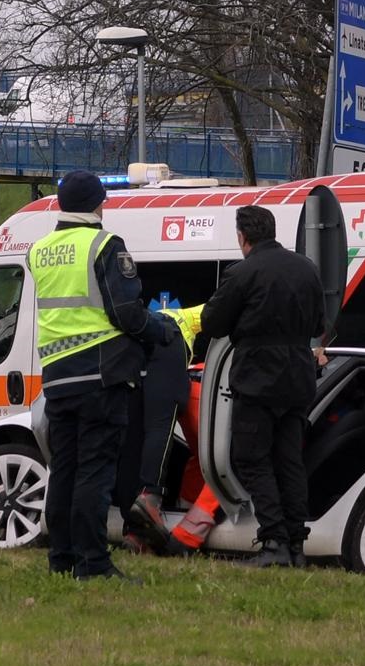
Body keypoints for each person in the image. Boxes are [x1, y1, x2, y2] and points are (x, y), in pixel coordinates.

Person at [29, 170, 168, 583]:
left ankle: (62, 558)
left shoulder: (40, 250)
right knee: (95, 472)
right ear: (98, 203)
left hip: (57, 376)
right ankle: (94, 563)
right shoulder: (104, 244)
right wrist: (159, 330)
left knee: (65, 470)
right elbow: (124, 313)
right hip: (101, 373)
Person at [200, 205, 326, 568]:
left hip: (257, 379)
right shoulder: (307, 269)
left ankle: (273, 543)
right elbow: (319, 322)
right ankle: (296, 545)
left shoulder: (242, 273)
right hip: (298, 379)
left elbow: (212, 323)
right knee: (289, 461)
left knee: (252, 458)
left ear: (243, 237)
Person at [119, 304, 203, 555]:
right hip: (168, 337)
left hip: (133, 338)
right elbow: (219, 317)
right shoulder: (192, 316)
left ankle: (132, 532)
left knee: (132, 437)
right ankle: (150, 496)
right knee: (159, 426)